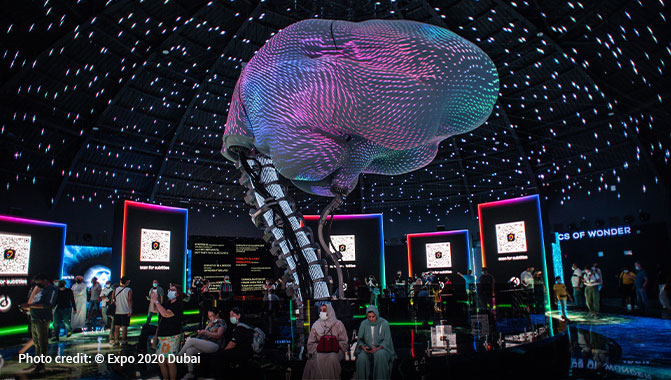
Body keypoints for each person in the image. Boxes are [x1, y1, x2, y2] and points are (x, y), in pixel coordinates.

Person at [20, 274, 57, 374]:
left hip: (42, 319)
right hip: (34, 318)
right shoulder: (42, 290)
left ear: (45, 280)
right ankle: (36, 363)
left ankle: (41, 365)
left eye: (38, 282)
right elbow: (36, 303)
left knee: (42, 343)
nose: (37, 284)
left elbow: (48, 305)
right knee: (36, 343)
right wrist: (28, 307)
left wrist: (30, 305)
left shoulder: (52, 290)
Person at [303, 303, 349, 380]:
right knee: (318, 357)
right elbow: (310, 344)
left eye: (324, 310)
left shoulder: (338, 324)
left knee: (332, 358)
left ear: (330, 311)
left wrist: (334, 344)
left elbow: (344, 343)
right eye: (321, 310)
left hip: (336, 351)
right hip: (319, 352)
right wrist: (321, 346)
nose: (322, 312)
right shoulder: (316, 325)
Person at [178, 307, 225, 380]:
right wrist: (202, 332)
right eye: (209, 316)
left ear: (217, 315)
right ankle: (190, 372)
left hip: (214, 345)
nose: (210, 318)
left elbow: (218, 335)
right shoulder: (210, 322)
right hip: (205, 342)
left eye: (212, 316)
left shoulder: (221, 322)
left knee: (192, 340)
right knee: (189, 350)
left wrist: (206, 332)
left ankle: (179, 356)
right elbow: (204, 333)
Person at [355, 305, 395, 380]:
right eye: (369, 317)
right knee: (361, 358)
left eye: (373, 316)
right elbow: (360, 340)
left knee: (380, 354)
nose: (371, 319)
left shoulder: (384, 323)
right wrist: (364, 348)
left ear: (376, 314)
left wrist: (377, 348)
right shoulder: (364, 324)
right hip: (367, 349)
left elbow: (387, 341)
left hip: (382, 349)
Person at [153, 283, 184, 380]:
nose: (169, 291)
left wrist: (156, 302)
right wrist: (153, 300)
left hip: (172, 336)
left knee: (170, 361)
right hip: (162, 335)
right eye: (169, 289)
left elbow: (166, 314)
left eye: (173, 290)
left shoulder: (178, 305)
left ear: (178, 293)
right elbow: (154, 310)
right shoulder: (167, 303)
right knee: (161, 361)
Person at [112, 276, 133, 346]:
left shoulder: (116, 289)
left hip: (117, 311)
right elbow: (129, 300)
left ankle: (116, 341)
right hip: (125, 311)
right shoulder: (129, 290)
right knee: (124, 327)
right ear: (126, 281)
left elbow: (113, 299)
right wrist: (130, 310)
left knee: (117, 327)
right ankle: (124, 341)